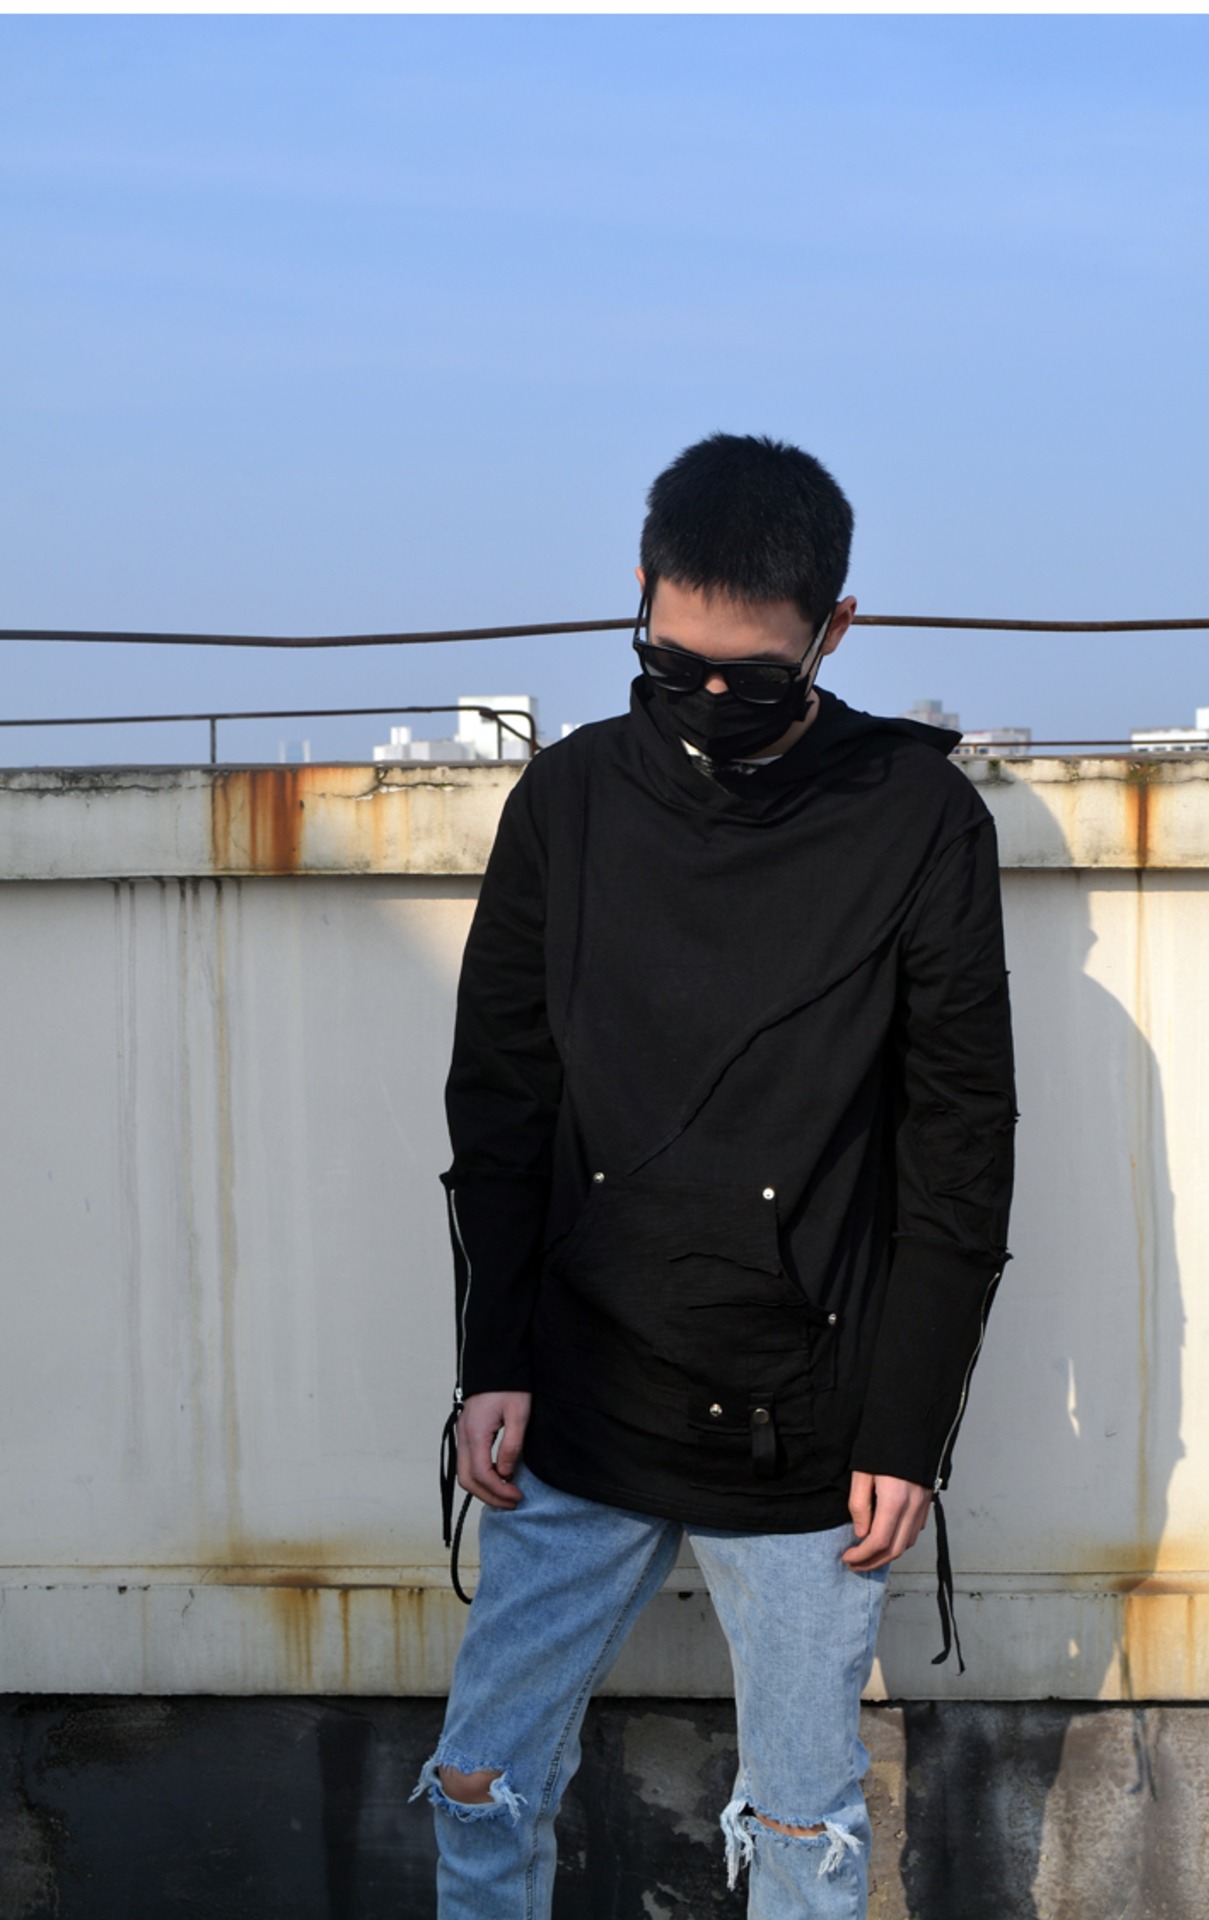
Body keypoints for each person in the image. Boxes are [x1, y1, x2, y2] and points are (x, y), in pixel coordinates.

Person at [412, 433, 1016, 1919]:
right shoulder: (567, 800)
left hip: (813, 1431)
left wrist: (909, 1423)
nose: (705, 699)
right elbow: (501, 1101)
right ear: (638, 594)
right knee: (479, 1780)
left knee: (806, 1833)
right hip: (577, 1394)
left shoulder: (919, 819)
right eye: (670, 664)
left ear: (834, 632)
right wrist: (491, 1359)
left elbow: (958, 1143)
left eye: (748, 676)